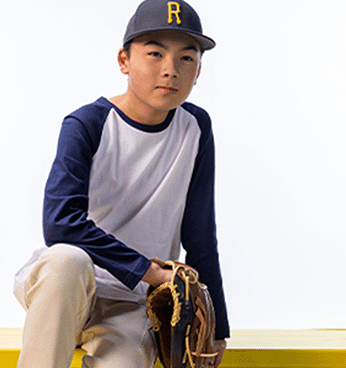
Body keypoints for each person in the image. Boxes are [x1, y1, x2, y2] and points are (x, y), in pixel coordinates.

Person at [12, 1, 229, 367]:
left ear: (199, 70)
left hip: (132, 302)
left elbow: (199, 233)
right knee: (67, 258)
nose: (170, 70)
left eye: (185, 58)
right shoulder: (88, 124)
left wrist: (218, 328)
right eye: (155, 53)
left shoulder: (195, 128)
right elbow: (61, 222)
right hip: (66, 288)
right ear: (124, 60)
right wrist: (153, 271)